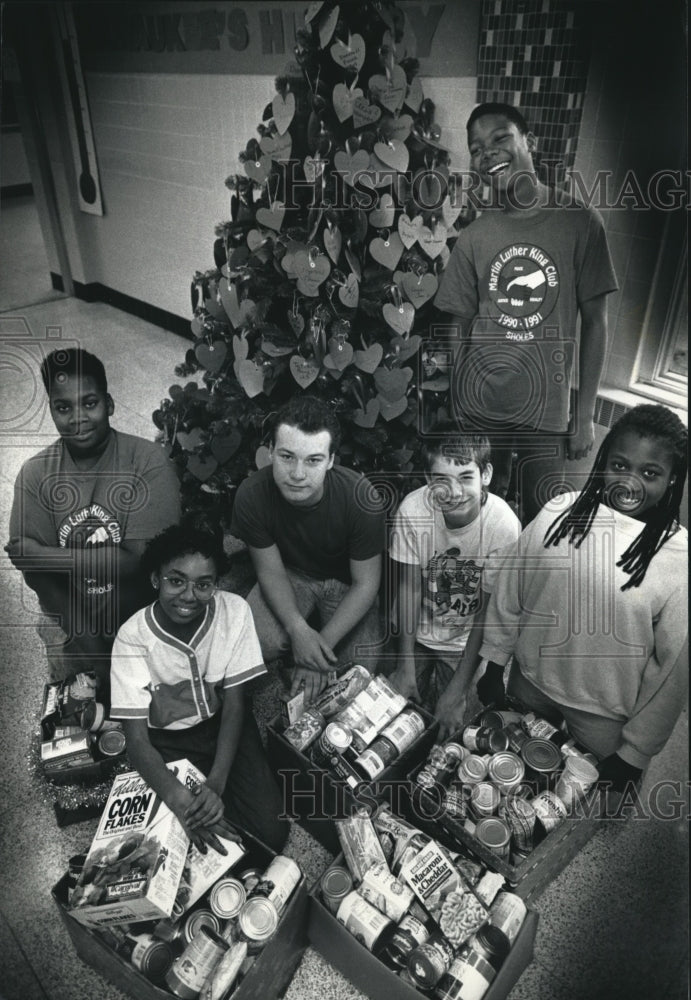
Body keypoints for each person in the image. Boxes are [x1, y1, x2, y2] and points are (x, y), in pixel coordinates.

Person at [476, 404, 688, 793]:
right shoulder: (561, 510)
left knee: (586, 808)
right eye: (620, 465)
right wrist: (493, 661)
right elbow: (513, 586)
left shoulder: (678, 557)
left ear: (673, 479)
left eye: (650, 473)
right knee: (516, 790)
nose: (630, 482)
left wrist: (635, 754)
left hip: (605, 719)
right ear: (603, 459)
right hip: (530, 686)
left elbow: (672, 672)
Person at [434, 102, 618, 523]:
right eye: (477, 149)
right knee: (477, 517)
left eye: (500, 139)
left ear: (528, 142)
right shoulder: (475, 236)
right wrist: (458, 395)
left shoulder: (579, 221)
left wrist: (584, 415)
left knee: (545, 520)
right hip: (480, 409)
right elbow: (456, 324)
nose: (488, 154)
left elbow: (596, 322)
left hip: (547, 412)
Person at [5, 348, 180, 692]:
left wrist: (40, 554)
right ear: (52, 411)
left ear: (110, 403)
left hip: (145, 614)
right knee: (82, 713)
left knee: (165, 702)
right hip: (73, 621)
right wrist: (101, 659)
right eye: (63, 407)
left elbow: (141, 560)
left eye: (89, 403)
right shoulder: (35, 475)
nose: (78, 418)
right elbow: (43, 581)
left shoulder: (148, 462)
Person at [109, 520, 288, 853]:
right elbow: (137, 740)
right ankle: (206, 811)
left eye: (203, 584)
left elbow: (235, 705)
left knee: (271, 834)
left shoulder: (234, 612)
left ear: (216, 585)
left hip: (226, 724)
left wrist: (216, 784)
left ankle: (218, 805)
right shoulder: (132, 639)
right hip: (169, 740)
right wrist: (179, 800)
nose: (189, 596)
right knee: (189, 835)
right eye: (176, 581)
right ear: (155, 579)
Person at [230, 396, 386, 701]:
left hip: (347, 584)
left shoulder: (360, 498)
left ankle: (311, 650)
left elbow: (366, 583)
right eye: (287, 456)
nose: (298, 473)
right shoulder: (252, 495)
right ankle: (293, 648)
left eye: (313, 460)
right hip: (291, 574)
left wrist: (317, 654)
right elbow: (270, 572)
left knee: (358, 672)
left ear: (330, 461)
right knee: (250, 643)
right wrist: (298, 630)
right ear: (271, 451)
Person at [388, 424, 520, 739]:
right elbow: (408, 588)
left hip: (466, 641)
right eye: (441, 480)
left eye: (465, 478)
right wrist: (405, 666)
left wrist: (458, 689)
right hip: (418, 630)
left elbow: (486, 614)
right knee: (392, 712)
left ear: (486, 474)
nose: (454, 492)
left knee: (455, 730)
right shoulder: (412, 509)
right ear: (428, 479)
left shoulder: (504, 527)